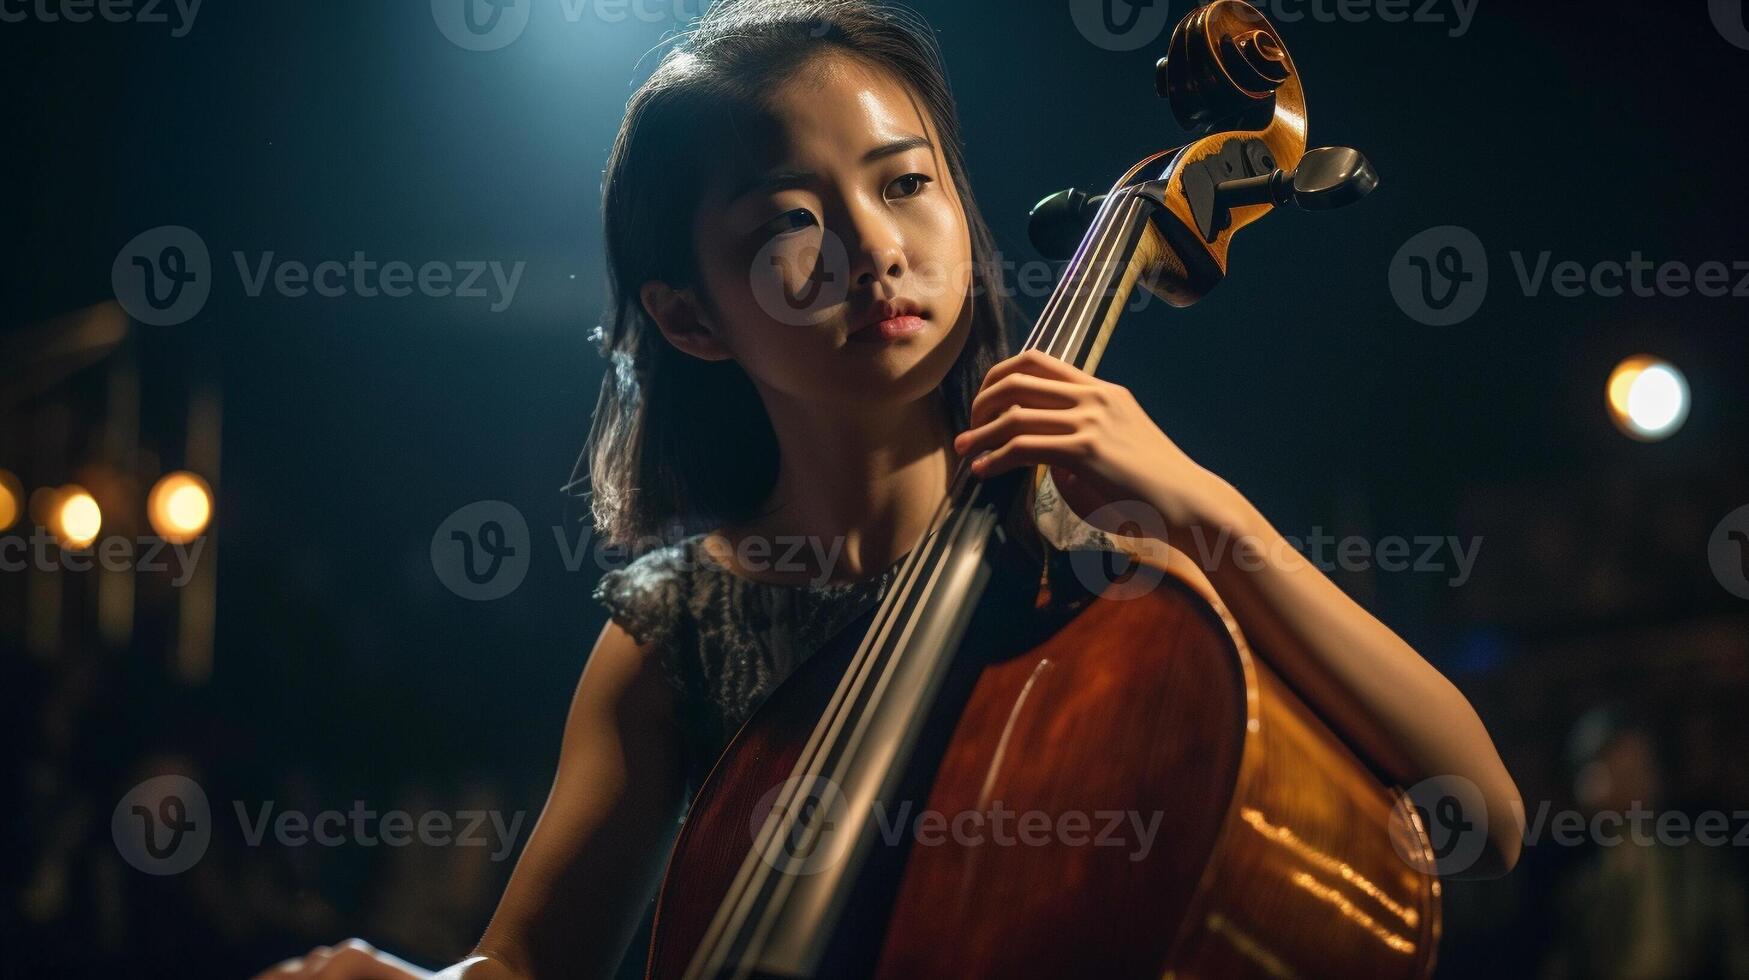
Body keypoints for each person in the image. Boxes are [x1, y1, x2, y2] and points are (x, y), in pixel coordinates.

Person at [253, 1, 1522, 976]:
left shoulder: (1114, 564)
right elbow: (527, 961)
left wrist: (1201, 504)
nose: (874, 247)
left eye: (906, 181)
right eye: (788, 220)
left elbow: (1480, 805)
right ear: (690, 316)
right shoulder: (677, 629)